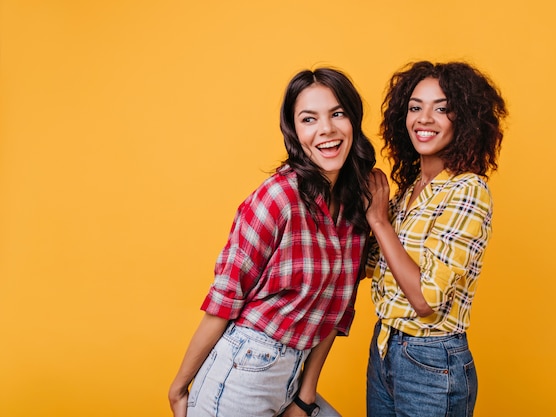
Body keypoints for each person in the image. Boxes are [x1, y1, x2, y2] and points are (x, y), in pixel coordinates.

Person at [168, 67, 376, 417]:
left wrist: (304, 399)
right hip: (241, 373)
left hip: (292, 379)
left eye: (337, 113)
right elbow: (224, 300)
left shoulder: (357, 207)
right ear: (295, 132)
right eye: (309, 119)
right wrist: (178, 388)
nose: (326, 129)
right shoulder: (278, 198)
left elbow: (336, 311)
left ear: (353, 120)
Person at [364, 61, 507, 417]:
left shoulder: (468, 190)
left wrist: (379, 221)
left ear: (466, 120)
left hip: (431, 362)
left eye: (441, 108)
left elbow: (426, 299)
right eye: (415, 107)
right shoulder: (410, 191)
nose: (424, 118)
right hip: (384, 348)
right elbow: (370, 267)